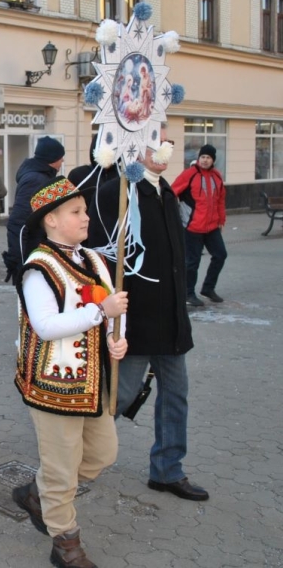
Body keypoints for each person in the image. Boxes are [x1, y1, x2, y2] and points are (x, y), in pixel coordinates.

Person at [88, 127, 209, 503]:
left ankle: (167, 470)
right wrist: (109, 312)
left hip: (171, 320)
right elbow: (96, 256)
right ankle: (72, 457)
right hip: (135, 320)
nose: (167, 148)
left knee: (176, 394)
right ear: (136, 147)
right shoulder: (117, 192)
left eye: (169, 140)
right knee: (118, 398)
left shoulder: (166, 190)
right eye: (159, 140)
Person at [14, 176, 128, 568]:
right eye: (76, 212)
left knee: (102, 454)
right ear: (51, 220)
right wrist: (101, 313)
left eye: (83, 211)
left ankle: (39, 492)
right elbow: (46, 326)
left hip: (94, 381)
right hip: (53, 384)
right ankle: (65, 543)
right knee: (63, 471)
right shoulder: (37, 267)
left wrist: (118, 338)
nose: (85, 218)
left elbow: (115, 306)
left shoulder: (94, 259)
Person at [4, 136, 65, 283]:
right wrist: (20, 263)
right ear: (51, 159)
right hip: (33, 255)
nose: (62, 161)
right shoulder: (36, 180)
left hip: (39, 253)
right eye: (60, 157)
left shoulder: (43, 177)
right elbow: (18, 223)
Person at [171, 144, 227, 307]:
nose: (205, 160)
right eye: (203, 157)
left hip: (211, 227)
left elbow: (220, 200)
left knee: (220, 255)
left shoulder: (217, 177)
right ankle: (188, 293)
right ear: (199, 158)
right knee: (192, 262)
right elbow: (172, 192)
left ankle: (208, 288)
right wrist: (177, 215)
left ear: (213, 160)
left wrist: (221, 219)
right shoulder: (189, 174)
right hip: (192, 227)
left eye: (208, 157)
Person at [66, 134, 119, 215]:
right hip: (86, 224)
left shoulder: (122, 176)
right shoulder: (79, 175)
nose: (109, 153)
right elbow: (69, 206)